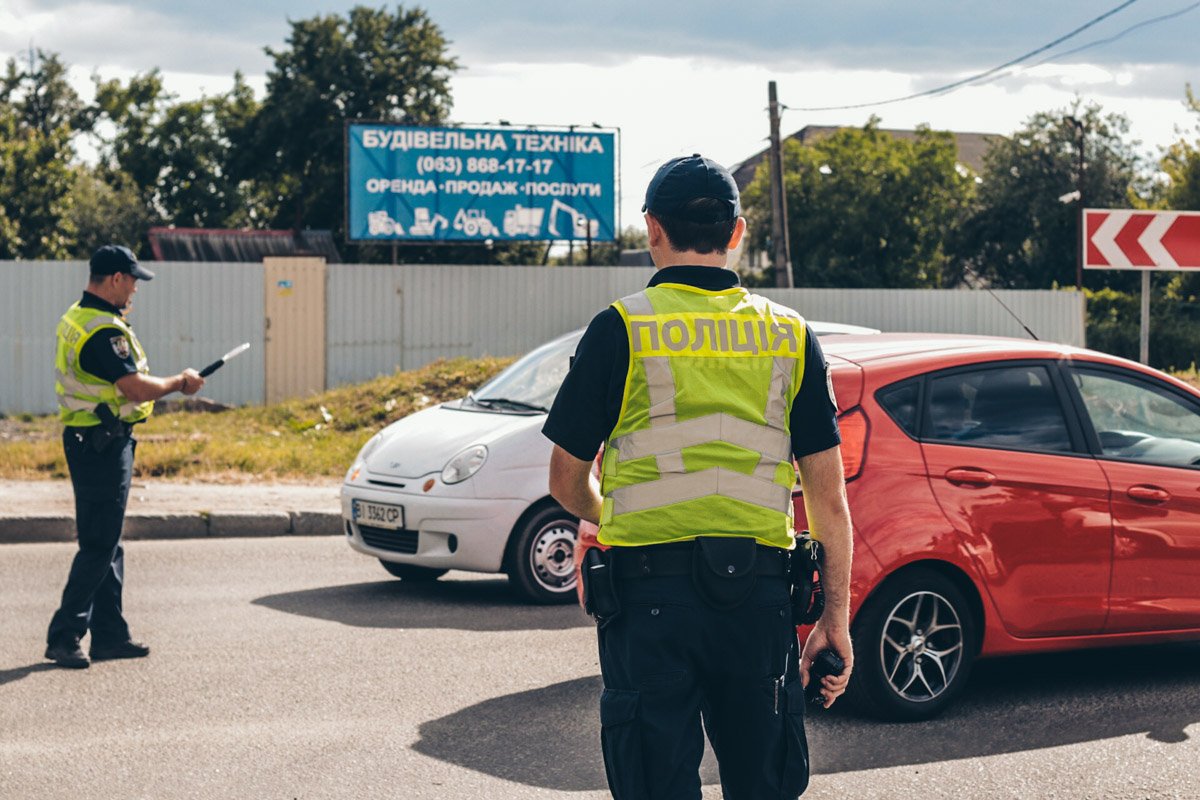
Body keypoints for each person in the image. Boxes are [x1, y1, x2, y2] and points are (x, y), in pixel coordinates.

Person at [544, 155, 854, 799]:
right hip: (759, 602)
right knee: (763, 784)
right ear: (737, 233)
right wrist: (835, 618)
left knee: (654, 784)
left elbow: (566, 481)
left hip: (647, 603)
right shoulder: (791, 337)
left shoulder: (619, 329)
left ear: (652, 229)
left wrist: (617, 514)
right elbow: (828, 501)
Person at [44, 245, 205, 669]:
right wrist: (179, 383)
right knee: (99, 544)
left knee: (108, 541)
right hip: (100, 442)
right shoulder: (102, 330)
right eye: (133, 279)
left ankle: (111, 635)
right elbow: (133, 388)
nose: (135, 288)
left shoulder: (77, 317)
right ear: (115, 278)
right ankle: (64, 635)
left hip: (93, 438)